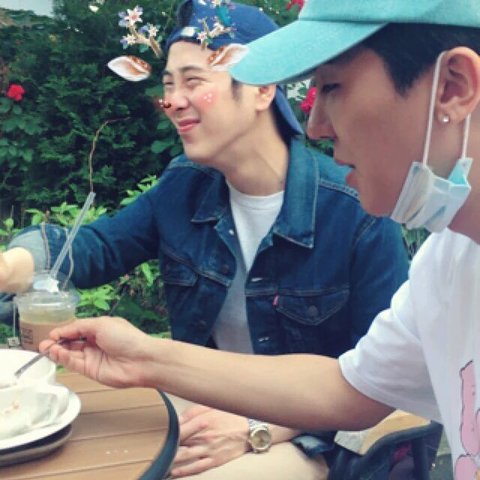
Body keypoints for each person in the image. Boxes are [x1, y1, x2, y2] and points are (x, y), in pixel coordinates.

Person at [0, 1, 408, 479]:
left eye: (193, 81)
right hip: (202, 403)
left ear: (261, 89)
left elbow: (382, 382)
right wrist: (9, 268)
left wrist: (257, 426)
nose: (172, 101)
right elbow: (96, 247)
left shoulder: (356, 210)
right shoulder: (185, 186)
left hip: (311, 435)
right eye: (168, 85)